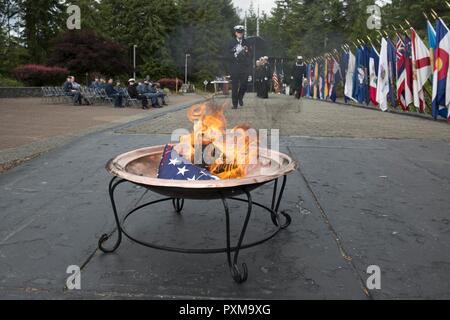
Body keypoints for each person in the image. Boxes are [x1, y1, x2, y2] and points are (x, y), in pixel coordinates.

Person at [227, 25, 252, 109]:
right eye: (238, 32)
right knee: (234, 86)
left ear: (243, 33)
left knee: (244, 84)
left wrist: (246, 52)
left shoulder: (246, 43)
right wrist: (234, 54)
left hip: (244, 67)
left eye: (241, 32)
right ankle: (234, 104)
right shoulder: (230, 42)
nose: (240, 34)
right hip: (234, 67)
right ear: (235, 33)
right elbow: (226, 55)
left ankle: (240, 97)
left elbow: (250, 55)